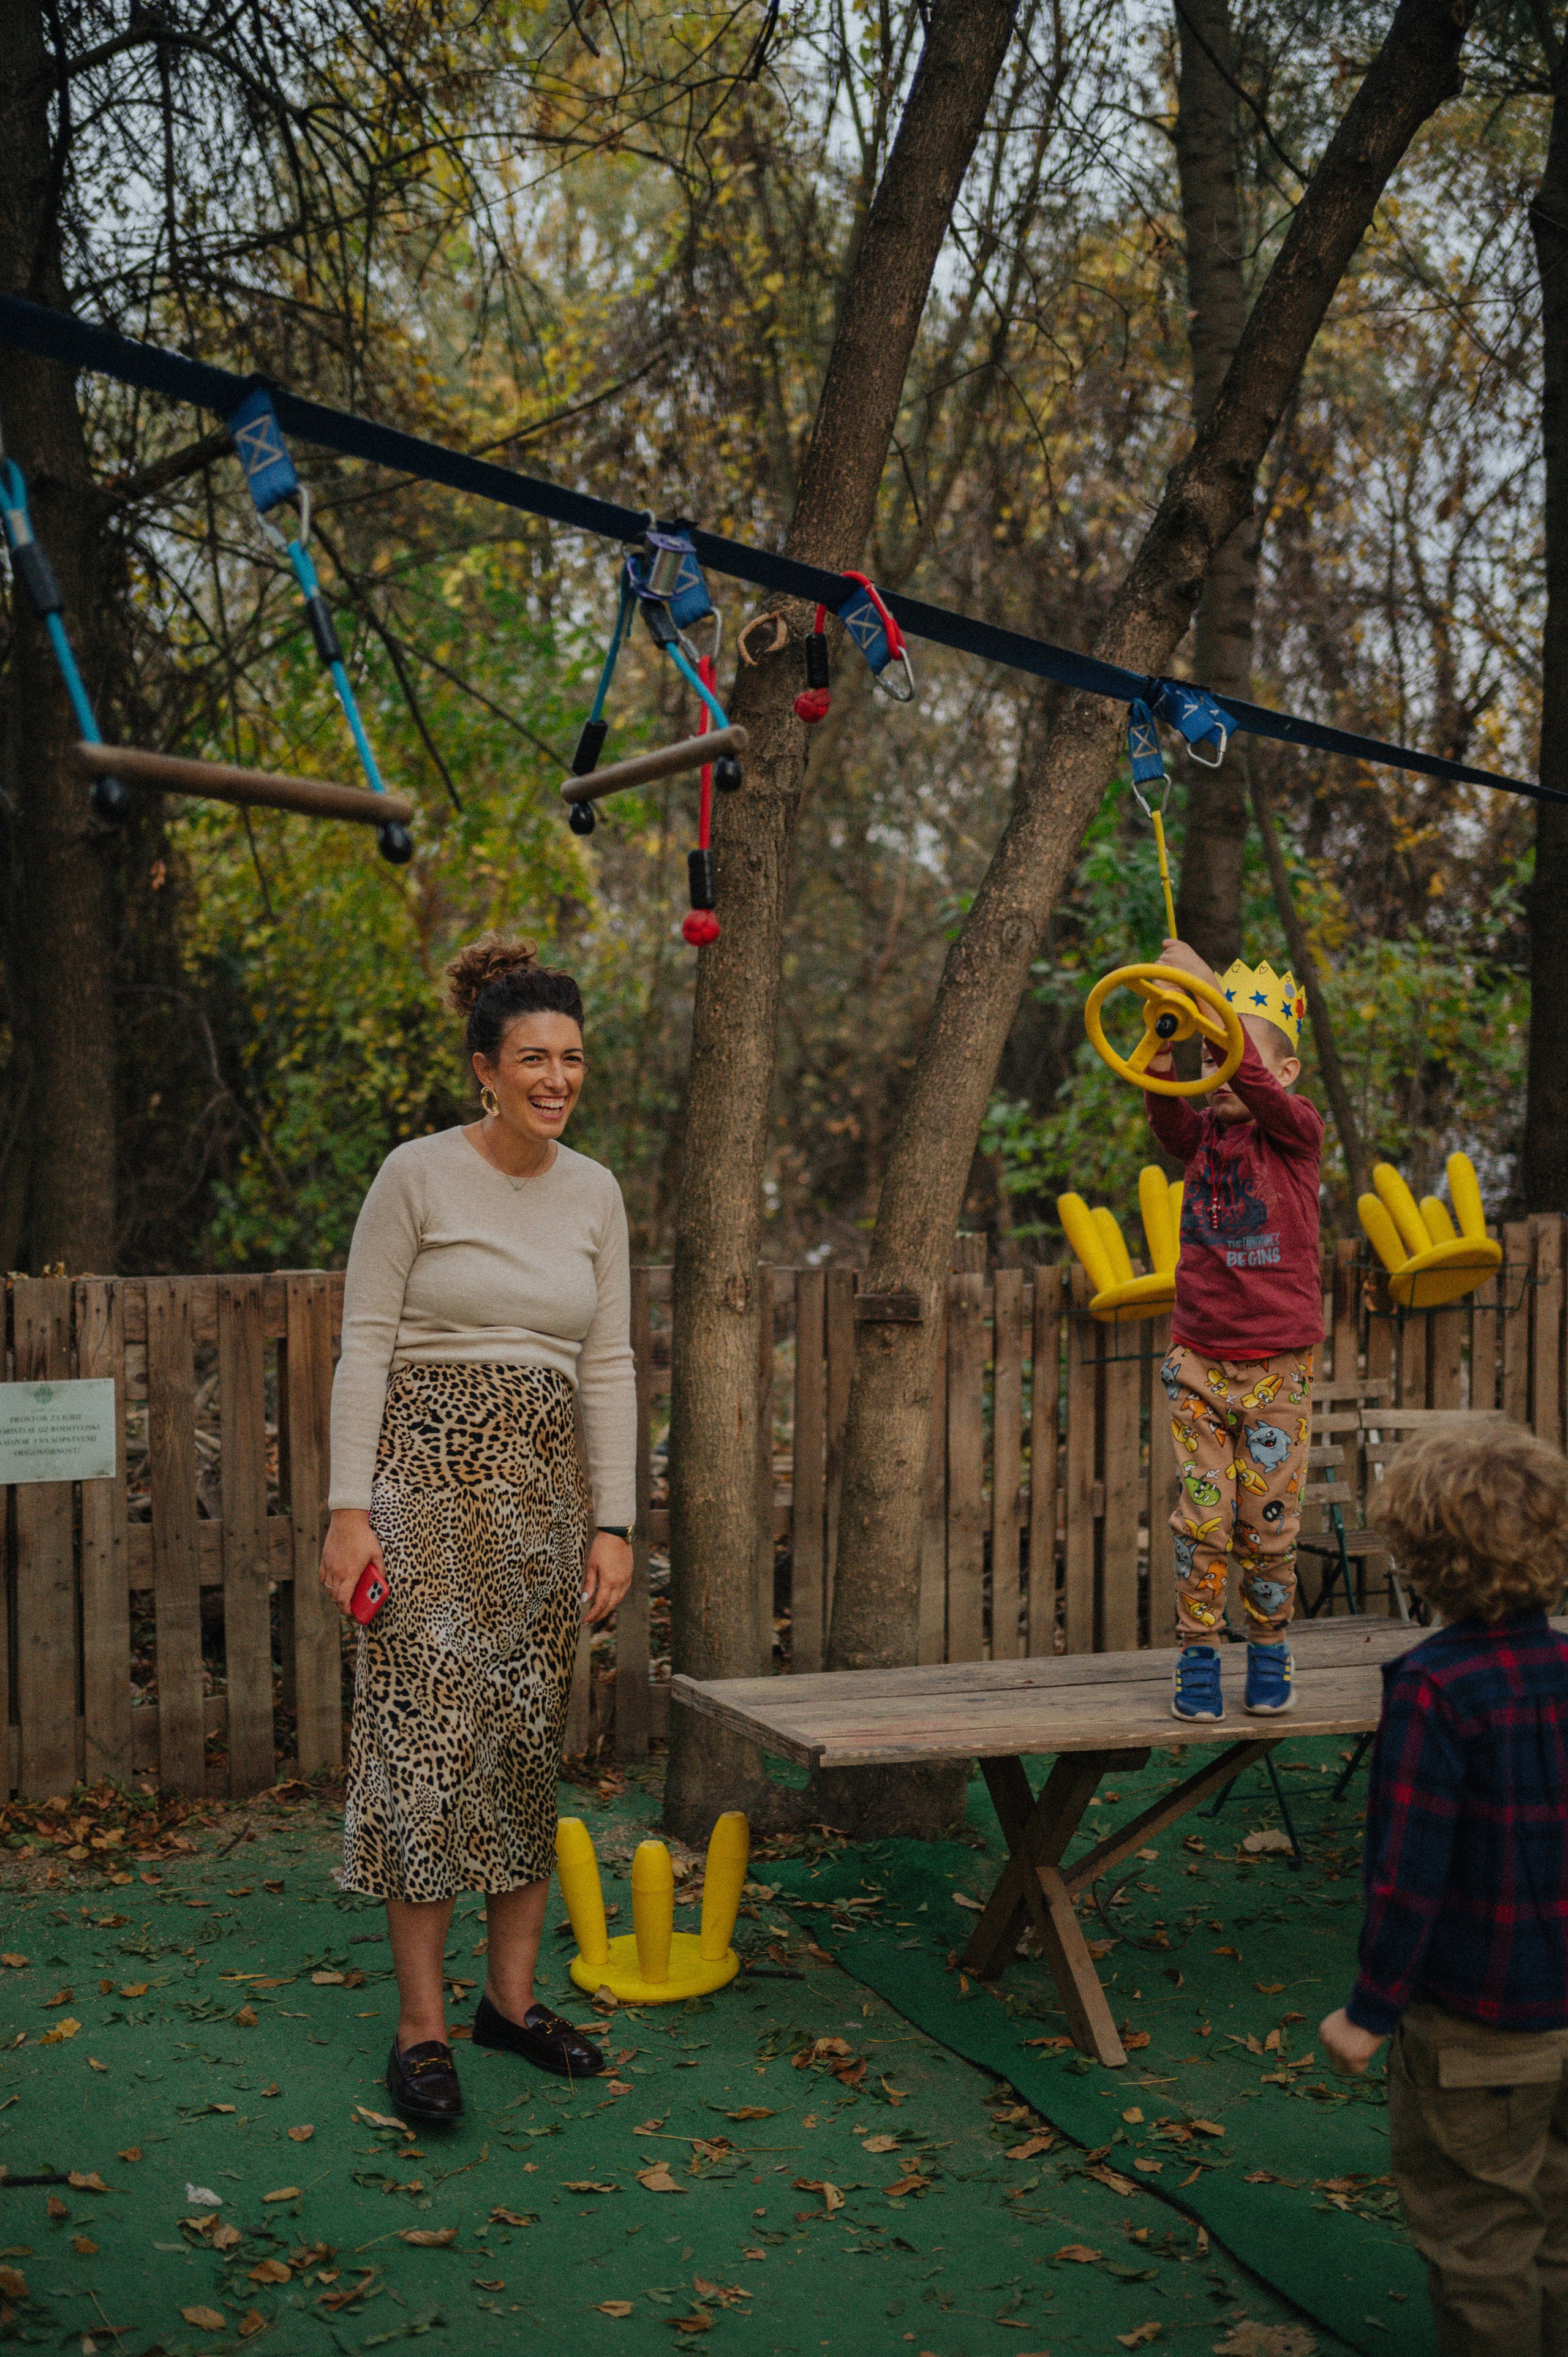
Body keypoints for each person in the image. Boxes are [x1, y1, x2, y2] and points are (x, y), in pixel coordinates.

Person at [318, 935, 637, 2124]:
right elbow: (365, 1348)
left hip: (545, 1511)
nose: (555, 1079)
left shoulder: (595, 1189)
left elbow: (604, 1362)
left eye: (572, 1059)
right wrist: (349, 1512)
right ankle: (421, 2032)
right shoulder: (415, 1176)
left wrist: (613, 1521)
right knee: (421, 1752)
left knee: (517, 1748)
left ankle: (507, 2005)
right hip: (421, 1496)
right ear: (483, 1070)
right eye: (532, 1059)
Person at [1320, 1421, 1568, 2357]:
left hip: (1479, 2029)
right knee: (1560, 2231)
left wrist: (1370, 2011)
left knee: (1482, 2247)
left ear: (1419, 1556)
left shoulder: (1433, 1687)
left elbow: (1408, 1876)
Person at [1143, 943, 1321, 1721]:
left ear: (1281, 1074)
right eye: (1207, 1059)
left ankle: (1271, 1643)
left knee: (1267, 1526)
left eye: (1229, 1056)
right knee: (1202, 1520)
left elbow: (1247, 1072)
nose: (1217, 1073)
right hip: (1198, 1362)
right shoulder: (1207, 1137)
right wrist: (1164, 1037)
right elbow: (1162, 1107)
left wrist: (1210, 990)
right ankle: (1198, 1654)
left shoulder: (1295, 1133)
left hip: (1277, 1365)